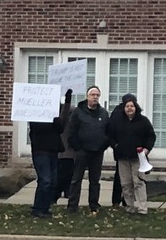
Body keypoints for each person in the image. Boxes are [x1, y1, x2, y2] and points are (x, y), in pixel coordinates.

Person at [109, 95, 156, 215]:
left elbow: (151, 136)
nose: (129, 108)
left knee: (139, 182)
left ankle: (142, 208)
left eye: (132, 106)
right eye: (127, 106)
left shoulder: (143, 121)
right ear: (123, 108)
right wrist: (116, 146)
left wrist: (146, 149)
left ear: (136, 107)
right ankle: (129, 207)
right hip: (122, 158)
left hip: (138, 158)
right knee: (125, 184)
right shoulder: (118, 122)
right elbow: (111, 137)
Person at [66, 86, 110, 213]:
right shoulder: (78, 112)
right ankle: (72, 205)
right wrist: (77, 147)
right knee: (76, 179)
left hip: (97, 152)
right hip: (82, 152)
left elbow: (108, 132)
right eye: (92, 94)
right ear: (87, 96)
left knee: (95, 181)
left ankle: (94, 204)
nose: (95, 97)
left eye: (97, 95)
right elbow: (71, 131)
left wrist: (103, 145)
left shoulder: (103, 113)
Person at [30, 89, 72, 218]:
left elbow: (61, 126)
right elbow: (40, 127)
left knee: (52, 182)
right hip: (40, 152)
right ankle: (38, 209)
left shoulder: (55, 117)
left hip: (53, 151)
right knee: (45, 180)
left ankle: (44, 207)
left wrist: (67, 103)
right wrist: (53, 121)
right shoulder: (35, 116)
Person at [110, 94, 139, 208]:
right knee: (121, 177)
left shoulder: (136, 115)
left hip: (131, 151)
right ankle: (118, 199)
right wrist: (116, 146)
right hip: (121, 151)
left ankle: (125, 199)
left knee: (128, 178)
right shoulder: (117, 114)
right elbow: (111, 132)